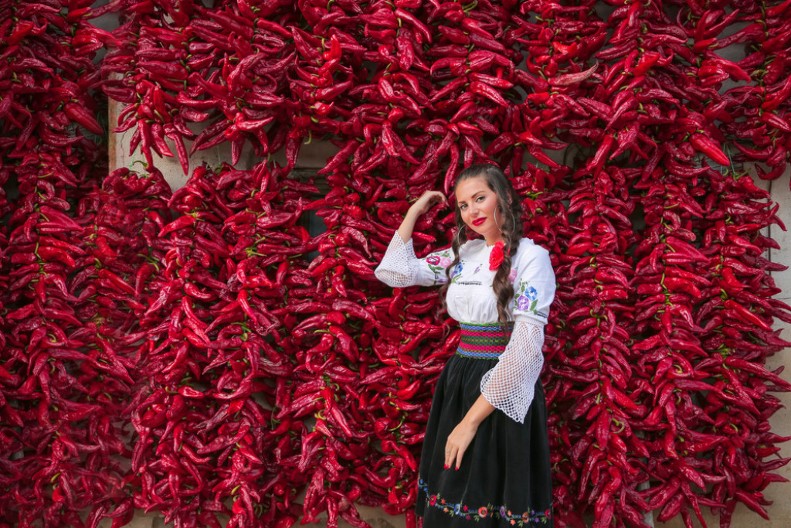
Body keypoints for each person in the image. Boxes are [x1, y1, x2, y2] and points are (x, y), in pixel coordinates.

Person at [374, 163, 556, 527]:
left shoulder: (532, 258)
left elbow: (523, 351)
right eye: (462, 205)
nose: (472, 211)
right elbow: (394, 271)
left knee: (489, 489)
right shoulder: (464, 256)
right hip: (459, 379)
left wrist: (470, 422)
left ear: (503, 197)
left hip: (503, 386)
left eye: (479, 198)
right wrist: (415, 210)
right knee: (455, 489)